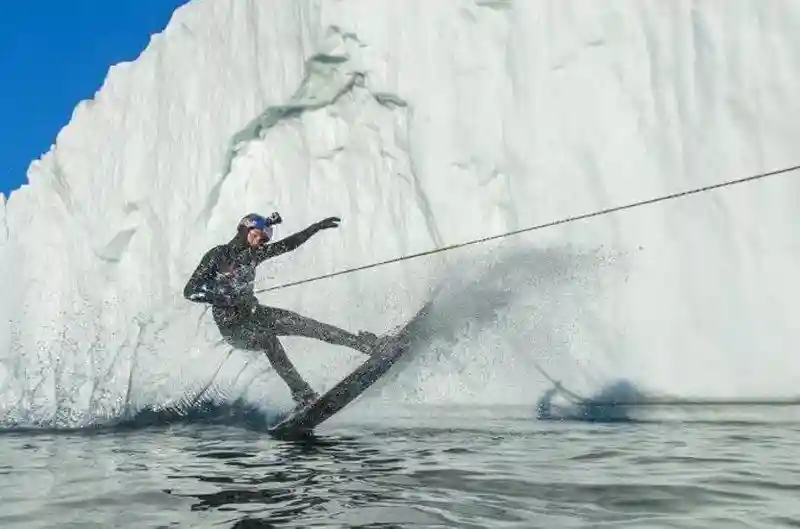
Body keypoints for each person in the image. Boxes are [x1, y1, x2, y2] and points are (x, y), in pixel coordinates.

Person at [183, 212, 380, 408]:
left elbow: (288, 245)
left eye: (265, 238)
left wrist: (315, 227)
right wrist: (219, 298)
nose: (262, 240)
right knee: (267, 339)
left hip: (254, 314)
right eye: (260, 234)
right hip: (234, 328)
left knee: (305, 324)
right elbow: (190, 291)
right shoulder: (217, 255)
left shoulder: (254, 254)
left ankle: (366, 345)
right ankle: (303, 394)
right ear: (246, 229)